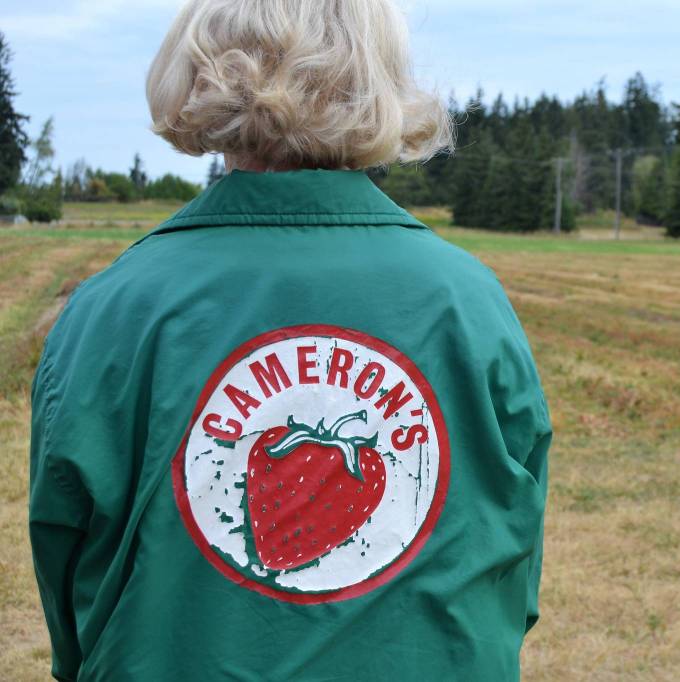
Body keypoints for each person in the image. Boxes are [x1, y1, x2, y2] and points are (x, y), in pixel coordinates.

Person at [28, 1, 551, 679]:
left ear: (197, 71)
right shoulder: (469, 302)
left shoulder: (112, 308)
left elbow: (69, 567)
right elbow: (510, 562)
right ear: (378, 76)